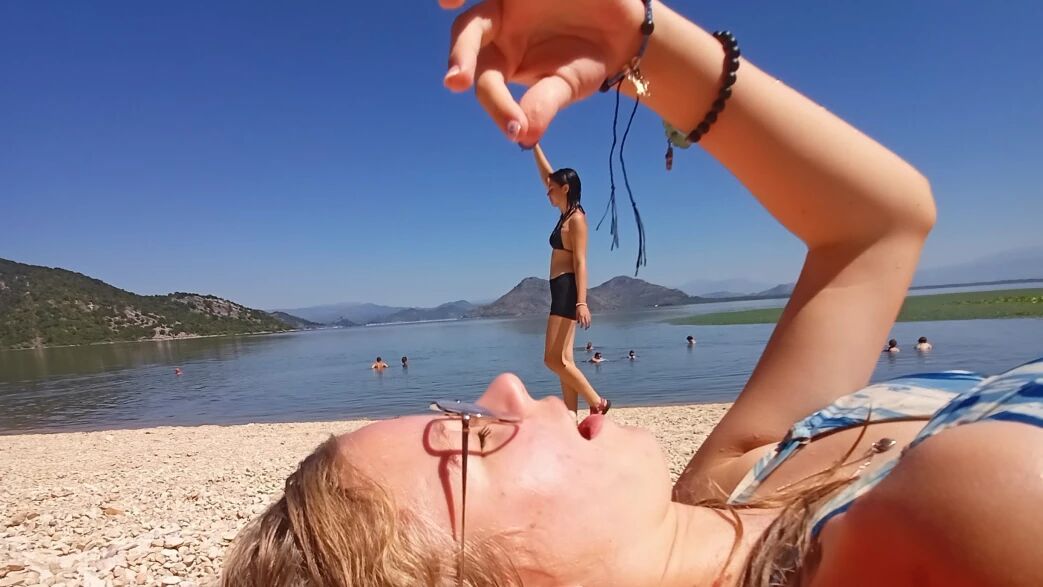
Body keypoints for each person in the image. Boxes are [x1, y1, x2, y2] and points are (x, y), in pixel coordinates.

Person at [221, 2, 1043, 586]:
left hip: (587, 320)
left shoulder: (723, 488)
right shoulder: (960, 517)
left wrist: (634, 42)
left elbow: (874, 231)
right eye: (471, 435)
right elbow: (876, 228)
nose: (501, 385)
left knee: (559, 362)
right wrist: (642, 52)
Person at [533, 143, 611, 416]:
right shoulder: (564, 215)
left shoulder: (576, 219)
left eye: (552, 189)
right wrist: (534, 145)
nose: (548, 192)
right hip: (559, 287)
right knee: (565, 360)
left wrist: (581, 302)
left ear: (565, 188)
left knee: (552, 359)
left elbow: (580, 262)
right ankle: (571, 417)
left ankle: (597, 402)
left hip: (568, 289)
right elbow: (547, 175)